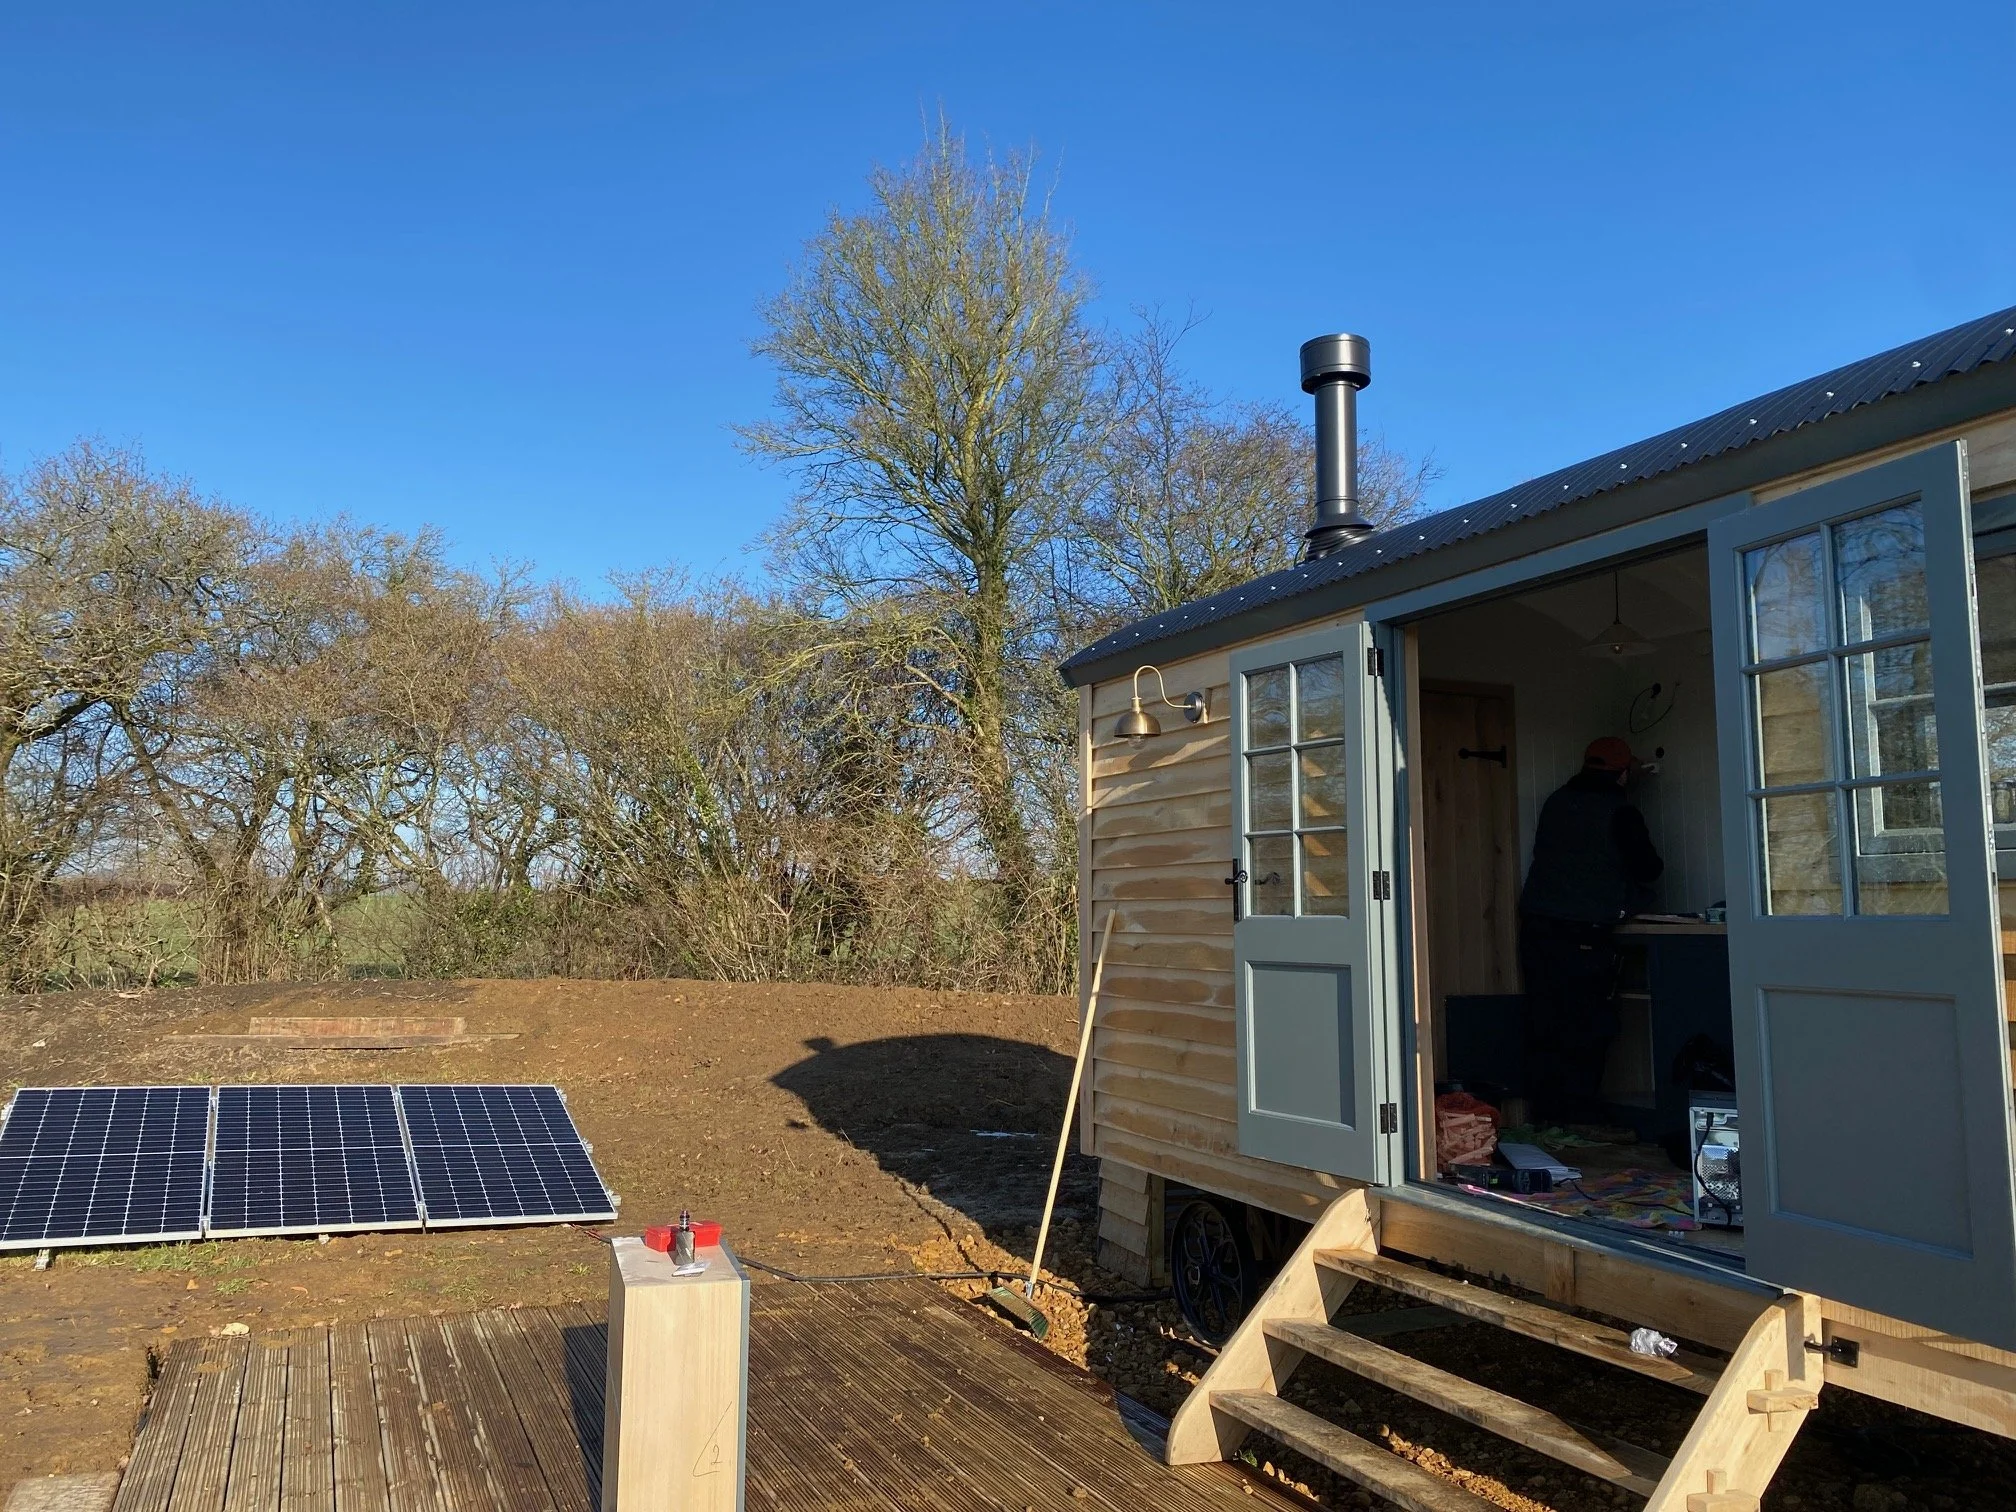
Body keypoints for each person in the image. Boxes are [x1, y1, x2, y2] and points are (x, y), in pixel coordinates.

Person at [1518, 736, 1664, 1124]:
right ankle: (1579, 1120)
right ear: (1622, 774)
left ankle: (1546, 1120)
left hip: (1537, 925)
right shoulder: (1620, 812)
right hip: (1583, 930)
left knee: (1546, 1021)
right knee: (1588, 1026)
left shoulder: (1556, 801)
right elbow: (1649, 868)